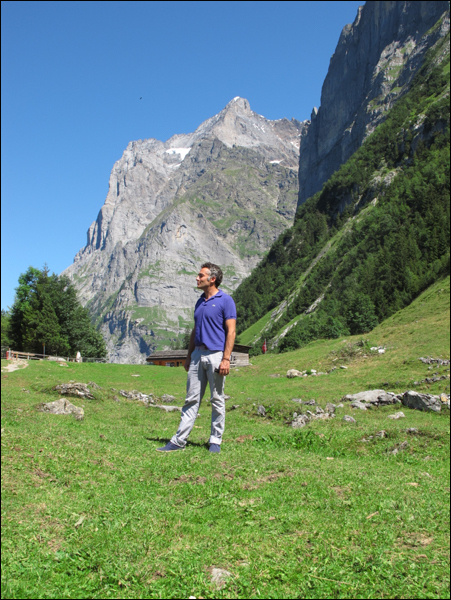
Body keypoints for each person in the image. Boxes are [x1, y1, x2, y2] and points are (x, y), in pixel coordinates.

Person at [157, 262, 236, 454]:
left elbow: (231, 331)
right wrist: (188, 356)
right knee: (191, 399)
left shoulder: (226, 300)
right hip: (197, 355)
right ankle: (179, 441)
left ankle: (215, 441)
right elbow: (195, 330)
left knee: (217, 399)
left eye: (201, 275)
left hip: (216, 354)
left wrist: (226, 359)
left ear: (212, 279)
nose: (197, 278)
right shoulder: (200, 301)